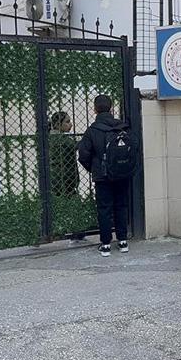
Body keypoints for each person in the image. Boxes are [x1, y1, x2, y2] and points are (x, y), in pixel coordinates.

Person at [78, 95, 131, 257]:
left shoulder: (92, 130)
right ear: (111, 108)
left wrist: (94, 168)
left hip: (102, 176)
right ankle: (123, 241)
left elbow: (83, 155)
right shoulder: (122, 127)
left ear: (95, 109)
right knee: (121, 206)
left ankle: (106, 244)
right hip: (122, 173)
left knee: (104, 209)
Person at [49, 112, 80, 198]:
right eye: (67, 122)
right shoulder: (59, 139)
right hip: (63, 180)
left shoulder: (55, 137)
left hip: (61, 180)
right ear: (58, 124)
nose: (71, 124)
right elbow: (75, 145)